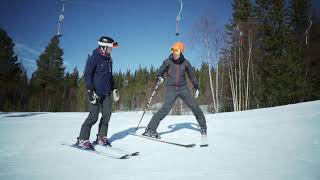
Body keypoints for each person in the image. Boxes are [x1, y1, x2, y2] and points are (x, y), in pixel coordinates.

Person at [143, 42, 207, 139]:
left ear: (181, 51)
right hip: (171, 88)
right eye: (172, 50)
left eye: (176, 50)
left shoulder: (186, 63)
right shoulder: (167, 61)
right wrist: (158, 77)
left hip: (183, 88)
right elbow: (160, 70)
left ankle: (203, 126)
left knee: (194, 106)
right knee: (165, 109)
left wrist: (196, 86)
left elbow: (192, 76)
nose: (174, 53)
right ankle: (150, 129)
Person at [75, 36, 120, 150]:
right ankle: (82, 139)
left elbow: (110, 76)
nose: (111, 49)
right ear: (103, 47)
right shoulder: (94, 58)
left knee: (106, 116)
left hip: (107, 93)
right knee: (93, 117)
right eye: (110, 47)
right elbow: (87, 74)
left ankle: (101, 137)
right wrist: (90, 90)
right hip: (96, 93)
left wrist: (114, 88)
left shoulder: (109, 59)